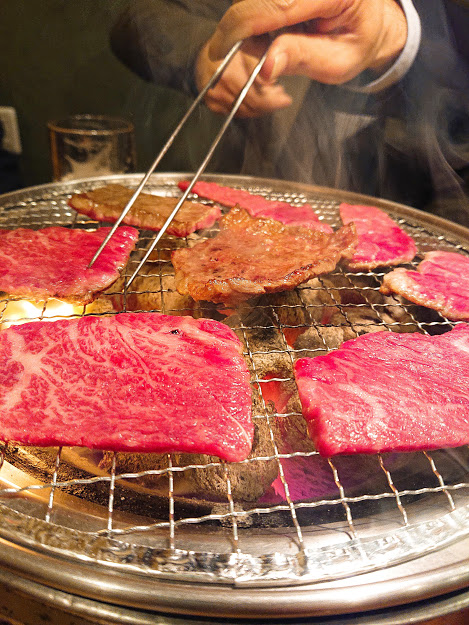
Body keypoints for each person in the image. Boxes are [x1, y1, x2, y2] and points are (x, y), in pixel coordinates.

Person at [111, 0, 469, 225]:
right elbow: (137, 15)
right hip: (252, 190)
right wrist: (200, 53)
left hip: (421, 205)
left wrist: (396, 31)